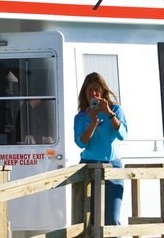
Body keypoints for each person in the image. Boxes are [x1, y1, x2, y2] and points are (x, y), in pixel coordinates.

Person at [73, 72, 127, 225]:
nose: (94, 93)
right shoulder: (81, 116)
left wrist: (109, 113)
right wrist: (93, 122)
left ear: (103, 91)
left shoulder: (116, 110)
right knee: (90, 219)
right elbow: (80, 143)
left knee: (112, 218)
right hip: (88, 165)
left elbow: (122, 134)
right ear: (85, 93)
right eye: (90, 90)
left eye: (97, 89)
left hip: (112, 166)